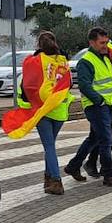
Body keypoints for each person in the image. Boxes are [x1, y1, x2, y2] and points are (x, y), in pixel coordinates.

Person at [64, 27, 112, 188]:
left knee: (94, 139)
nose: (105, 45)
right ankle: (108, 173)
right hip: (96, 106)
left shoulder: (105, 57)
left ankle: (73, 166)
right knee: (106, 139)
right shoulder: (86, 61)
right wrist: (100, 101)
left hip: (107, 104)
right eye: (102, 43)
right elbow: (84, 85)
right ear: (92, 42)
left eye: (107, 42)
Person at [21, 31, 70, 195]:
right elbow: (68, 83)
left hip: (43, 109)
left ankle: (56, 181)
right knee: (50, 146)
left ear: (39, 45)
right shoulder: (63, 60)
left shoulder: (34, 60)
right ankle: (48, 178)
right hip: (60, 109)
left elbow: (26, 85)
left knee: (49, 147)